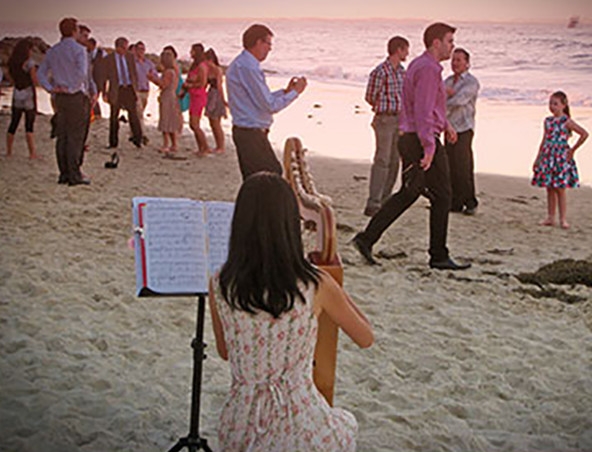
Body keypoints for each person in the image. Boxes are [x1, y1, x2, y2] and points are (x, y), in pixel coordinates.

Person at [208, 172, 373, 451]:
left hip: (240, 425)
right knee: (346, 423)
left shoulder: (221, 282)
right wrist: (334, 283)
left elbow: (226, 352)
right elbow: (366, 337)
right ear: (289, 225)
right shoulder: (315, 284)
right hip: (300, 422)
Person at [353, 22, 470, 270]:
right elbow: (423, 112)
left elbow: (428, 105)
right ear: (436, 42)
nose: (453, 47)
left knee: (410, 192)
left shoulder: (420, 65)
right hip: (419, 139)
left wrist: (446, 124)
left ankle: (366, 239)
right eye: (450, 41)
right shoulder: (428, 69)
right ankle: (438, 256)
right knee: (442, 195)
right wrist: (429, 148)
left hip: (414, 137)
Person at [226, 23, 307, 180]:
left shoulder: (244, 64)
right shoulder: (248, 66)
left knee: (259, 179)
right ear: (258, 42)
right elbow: (269, 105)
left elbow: (259, 98)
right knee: (270, 177)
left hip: (250, 131)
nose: (270, 49)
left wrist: (285, 92)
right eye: (268, 43)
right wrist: (295, 93)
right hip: (250, 132)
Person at [38, 17, 91, 186]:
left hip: (60, 96)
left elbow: (41, 73)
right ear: (74, 31)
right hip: (74, 96)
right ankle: (74, 175)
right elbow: (82, 73)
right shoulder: (79, 50)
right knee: (75, 136)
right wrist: (73, 88)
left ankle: (63, 173)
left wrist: (51, 88)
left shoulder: (53, 51)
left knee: (63, 135)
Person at [363, 36, 409, 217]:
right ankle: (373, 202)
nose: (407, 53)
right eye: (405, 49)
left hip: (399, 119)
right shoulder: (380, 71)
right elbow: (369, 96)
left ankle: (385, 199)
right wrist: (383, 107)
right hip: (384, 119)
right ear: (398, 49)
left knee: (394, 160)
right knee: (382, 160)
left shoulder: (402, 72)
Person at [531, 91, 588, 229]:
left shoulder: (566, 121)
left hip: (561, 157)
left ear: (563, 105)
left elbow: (584, 134)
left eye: (555, 104)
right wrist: (538, 158)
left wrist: (572, 150)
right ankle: (550, 217)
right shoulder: (548, 121)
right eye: (550, 103)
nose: (552, 106)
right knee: (550, 188)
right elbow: (544, 140)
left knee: (560, 189)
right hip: (548, 155)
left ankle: (563, 218)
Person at [444, 48, 480, 215]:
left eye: (459, 60)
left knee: (463, 165)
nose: (455, 63)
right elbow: (438, 99)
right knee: (450, 165)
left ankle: (470, 202)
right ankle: (455, 202)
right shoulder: (448, 81)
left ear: (467, 63)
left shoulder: (471, 82)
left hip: (464, 127)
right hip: (448, 126)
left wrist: (447, 96)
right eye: (453, 60)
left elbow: (460, 100)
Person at [100, 36, 143, 149]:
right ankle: (113, 142)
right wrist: (104, 92)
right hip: (116, 89)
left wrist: (136, 87)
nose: (125, 50)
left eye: (127, 47)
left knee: (133, 115)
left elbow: (133, 73)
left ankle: (138, 139)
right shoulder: (109, 59)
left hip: (128, 88)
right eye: (124, 47)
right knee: (114, 115)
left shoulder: (129, 57)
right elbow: (104, 77)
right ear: (118, 47)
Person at [6, 38, 39, 159]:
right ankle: (32, 153)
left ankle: (9, 151)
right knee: (29, 124)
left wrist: (15, 83)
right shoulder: (29, 63)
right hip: (28, 92)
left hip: (17, 92)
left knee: (14, 122)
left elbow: (9, 76)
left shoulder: (12, 62)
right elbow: (34, 80)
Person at [149, 50, 182, 153]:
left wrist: (152, 79)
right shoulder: (175, 71)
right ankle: (174, 144)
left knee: (166, 120)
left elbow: (163, 84)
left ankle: (166, 144)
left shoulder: (168, 72)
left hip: (167, 96)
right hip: (172, 95)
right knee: (171, 120)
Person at [184, 43, 209, 155]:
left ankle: (205, 147)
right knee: (192, 124)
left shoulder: (202, 66)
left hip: (199, 95)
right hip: (193, 95)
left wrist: (191, 85)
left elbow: (203, 83)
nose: (190, 53)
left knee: (194, 124)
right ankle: (201, 147)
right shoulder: (195, 65)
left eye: (192, 51)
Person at [133, 41, 157, 145]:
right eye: (139, 49)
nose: (141, 51)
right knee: (138, 113)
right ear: (135, 50)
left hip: (146, 90)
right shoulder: (132, 63)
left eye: (143, 49)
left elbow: (155, 75)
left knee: (141, 112)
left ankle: (135, 132)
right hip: (136, 90)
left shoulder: (148, 63)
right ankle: (141, 134)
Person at [205, 48, 227, 154]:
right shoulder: (207, 70)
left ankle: (221, 146)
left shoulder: (218, 70)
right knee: (212, 122)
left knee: (216, 122)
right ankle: (217, 145)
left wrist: (223, 100)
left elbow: (219, 86)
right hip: (210, 94)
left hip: (216, 95)